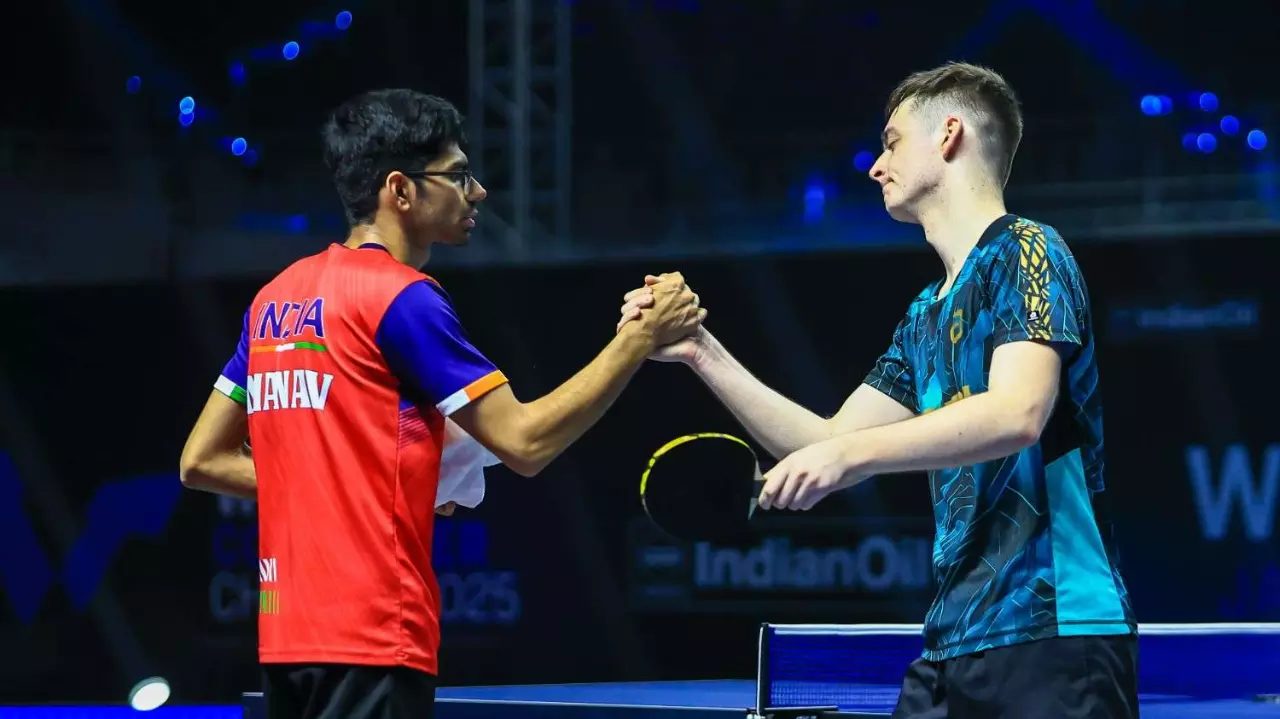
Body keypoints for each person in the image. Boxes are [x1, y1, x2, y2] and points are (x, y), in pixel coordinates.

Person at [618, 63, 1138, 718]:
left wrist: (850, 457)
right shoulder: (924, 317)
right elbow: (832, 439)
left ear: (949, 134)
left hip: (1053, 634)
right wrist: (701, 351)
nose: (875, 165)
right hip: (952, 639)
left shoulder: (1028, 251)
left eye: (892, 141)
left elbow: (1018, 412)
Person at [178, 89, 703, 719]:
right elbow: (526, 441)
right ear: (400, 191)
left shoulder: (275, 300)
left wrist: (359, 485)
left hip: (286, 637)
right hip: (375, 634)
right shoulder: (404, 299)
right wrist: (639, 340)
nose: (477, 191)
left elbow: (201, 461)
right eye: (457, 176)